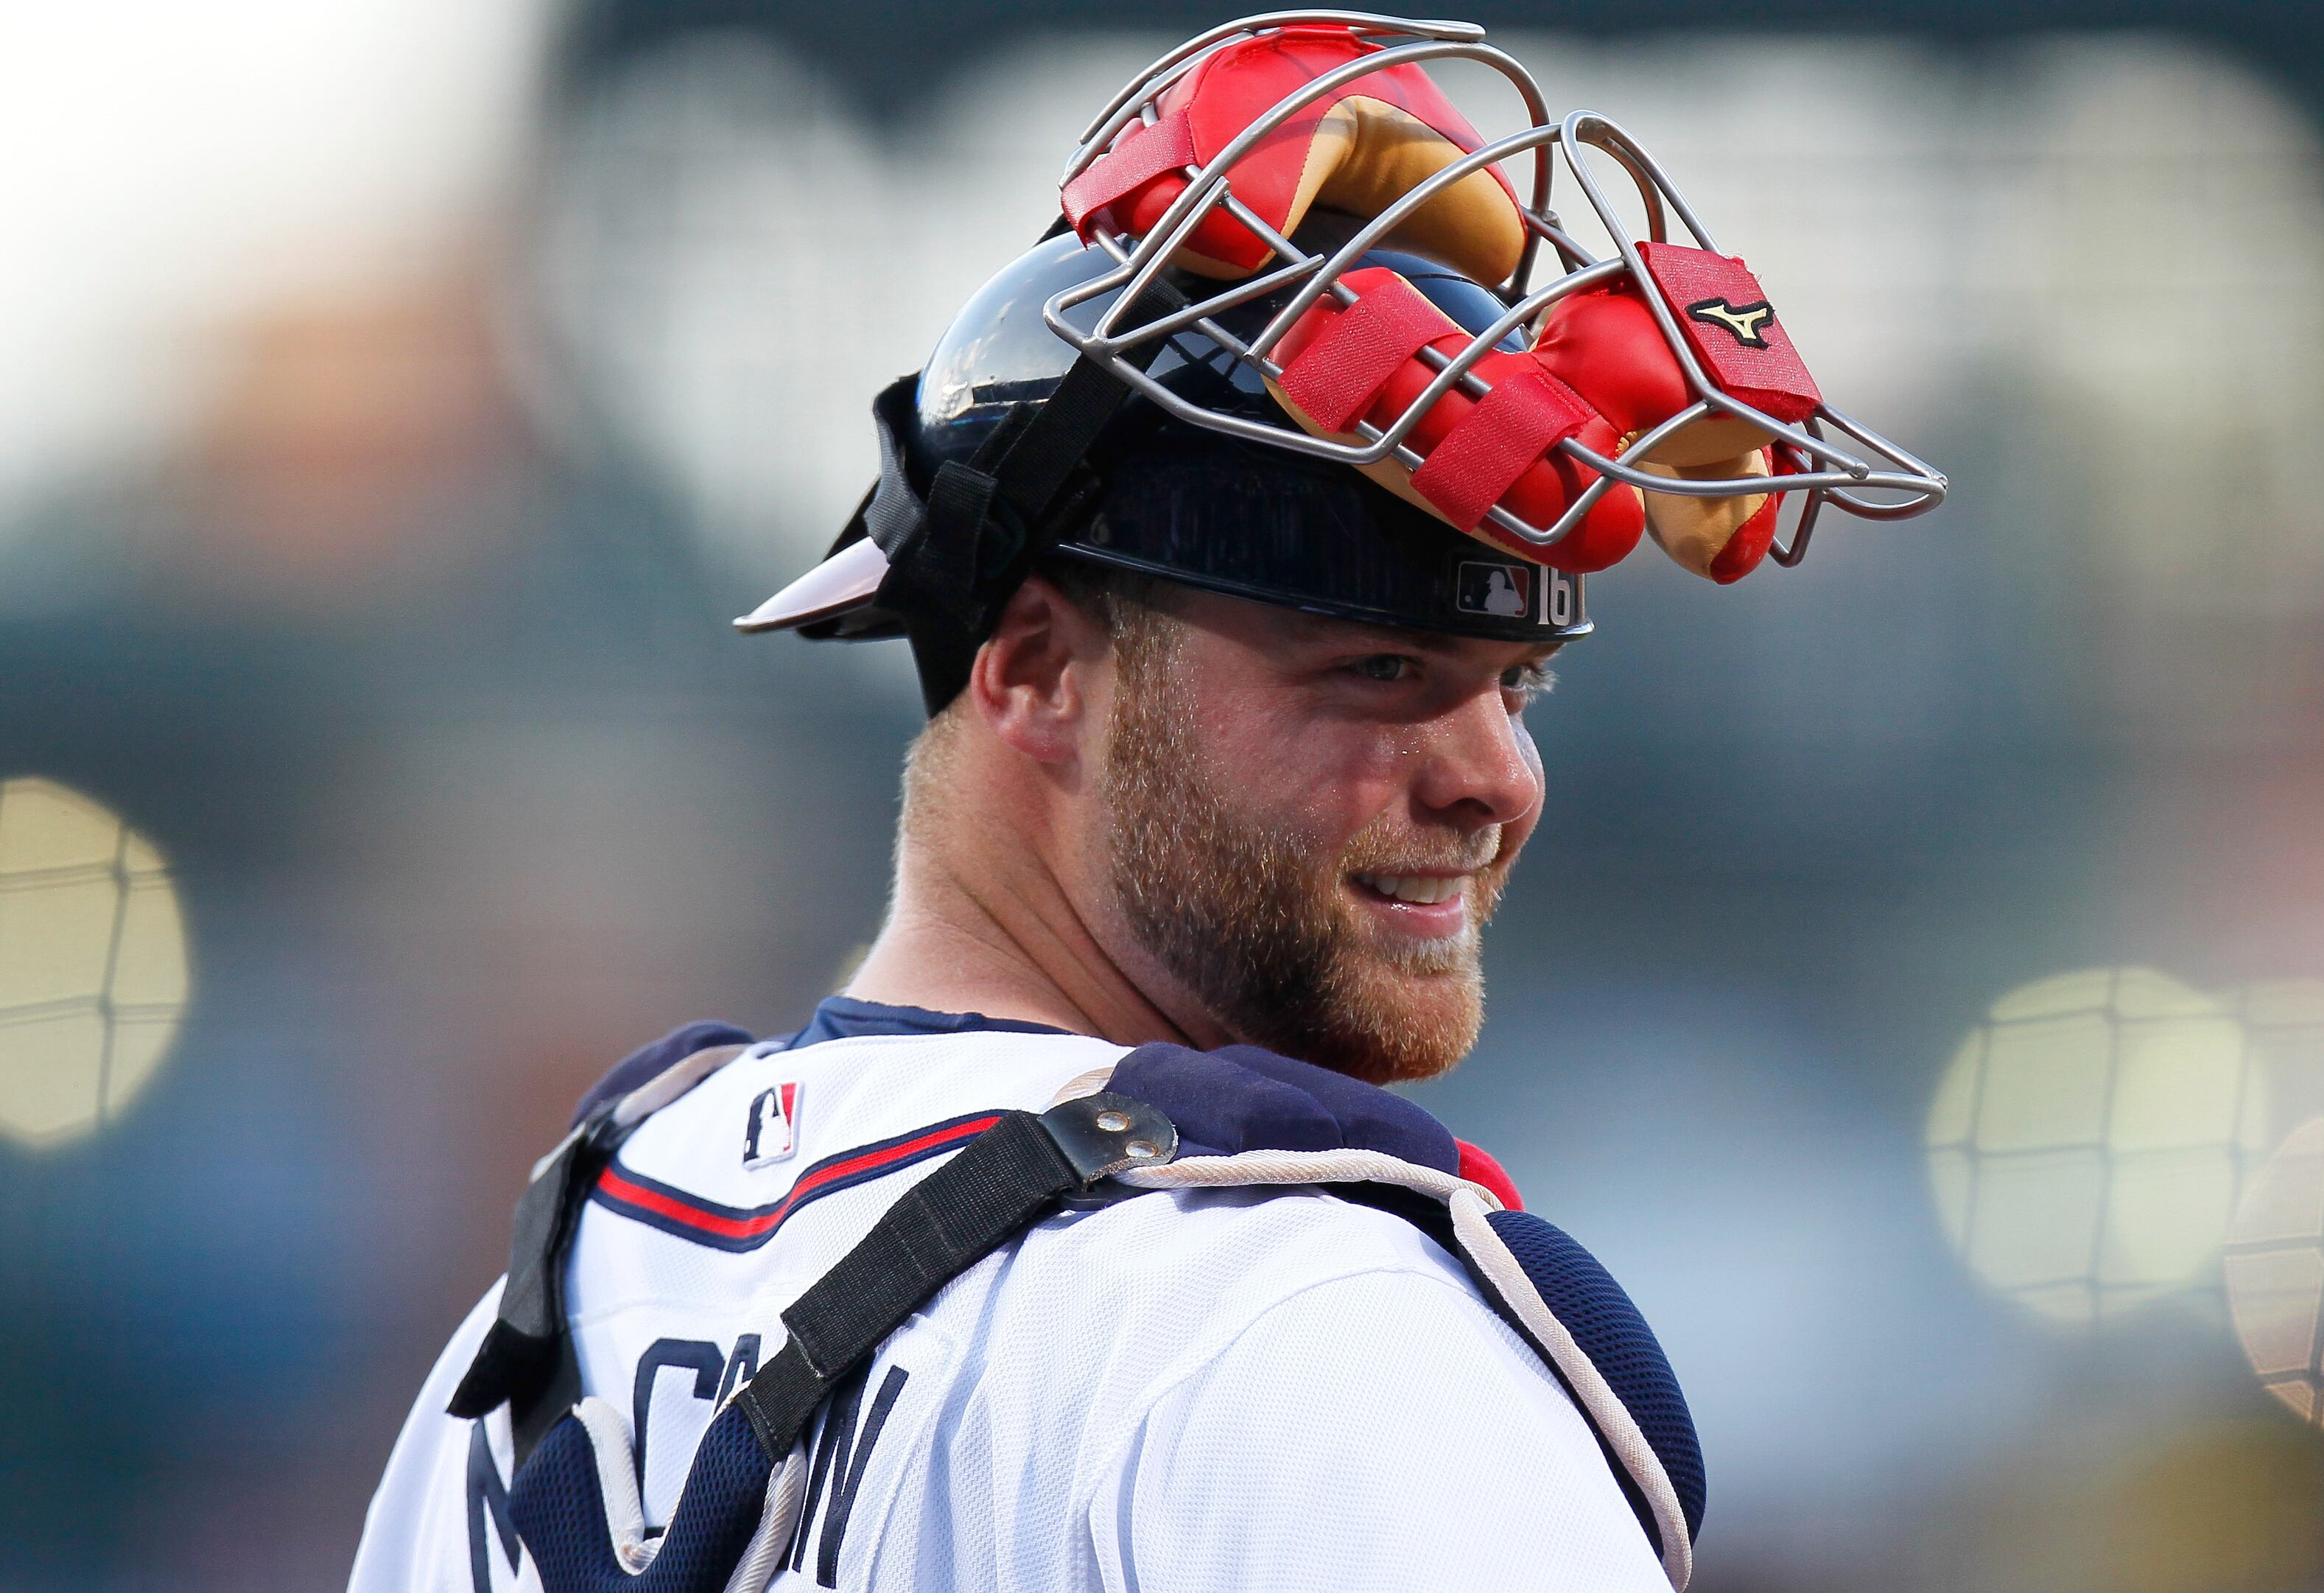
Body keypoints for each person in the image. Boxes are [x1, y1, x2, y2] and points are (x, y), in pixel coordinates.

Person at [348, 15, 1941, 1592]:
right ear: (1036, 669)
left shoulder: (545, 1315)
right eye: (1382, 671)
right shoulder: (1308, 1335)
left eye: (1515, 682)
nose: (1498, 777)